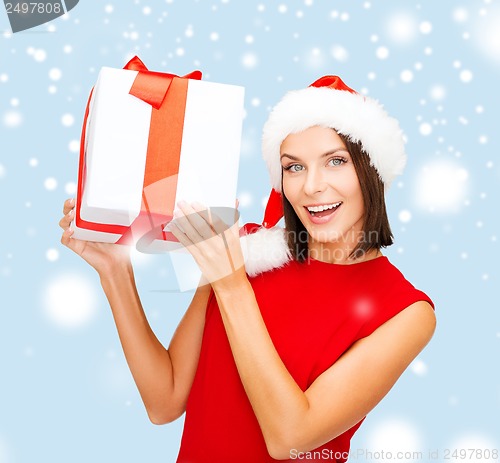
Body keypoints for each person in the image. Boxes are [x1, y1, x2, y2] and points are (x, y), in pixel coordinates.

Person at [59, 75, 436, 463]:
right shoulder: (248, 250)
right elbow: (166, 400)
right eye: (294, 167)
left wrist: (231, 284)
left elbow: (289, 438)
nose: (312, 186)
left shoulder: (406, 312)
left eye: (336, 161)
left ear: (372, 170)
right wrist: (115, 272)